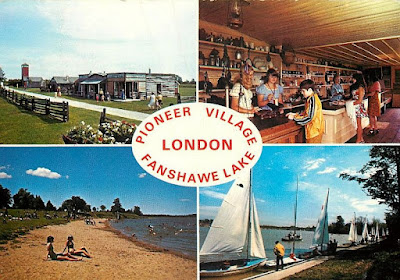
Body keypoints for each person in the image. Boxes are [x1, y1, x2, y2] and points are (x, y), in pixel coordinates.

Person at [350, 73, 368, 143]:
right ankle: (361, 139)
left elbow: (360, 100)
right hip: (356, 106)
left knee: (358, 125)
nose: (353, 80)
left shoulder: (360, 87)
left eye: (353, 78)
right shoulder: (358, 86)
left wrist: (350, 104)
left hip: (358, 107)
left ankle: (358, 140)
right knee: (358, 124)